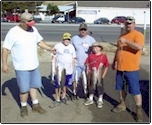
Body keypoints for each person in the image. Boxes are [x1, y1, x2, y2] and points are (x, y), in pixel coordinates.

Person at [2, 12, 54, 118]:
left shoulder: (33, 30)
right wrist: (4, 64)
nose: (31, 25)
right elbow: (5, 49)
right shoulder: (13, 32)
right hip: (22, 67)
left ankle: (35, 105)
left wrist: (50, 49)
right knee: (24, 89)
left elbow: (39, 42)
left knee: (34, 86)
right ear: (22, 22)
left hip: (34, 65)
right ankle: (24, 107)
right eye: (29, 22)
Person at [111, 16, 145, 122]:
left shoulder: (138, 35)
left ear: (134, 24)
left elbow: (139, 47)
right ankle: (122, 104)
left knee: (135, 90)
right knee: (121, 88)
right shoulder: (122, 35)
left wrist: (126, 41)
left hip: (132, 68)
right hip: (120, 68)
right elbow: (118, 49)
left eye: (130, 23)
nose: (128, 25)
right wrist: (114, 62)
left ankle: (138, 110)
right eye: (126, 23)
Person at [71, 23, 96, 99]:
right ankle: (74, 92)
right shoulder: (74, 38)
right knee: (75, 79)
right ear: (79, 30)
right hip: (77, 63)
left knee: (88, 80)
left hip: (87, 64)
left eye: (84, 30)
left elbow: (95, 50)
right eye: (81, 29)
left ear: (87, 30)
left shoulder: (91, 39)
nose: (83, 31)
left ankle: (87, 92)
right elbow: (71, 49)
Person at [51, 32, 76, 105]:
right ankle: (57, 99)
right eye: (65, 39)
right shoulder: (58, 45)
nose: (67, 40)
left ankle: (63, 96)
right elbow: (53, 56)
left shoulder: (71, 47)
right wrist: (54, 69)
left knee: (65, 84)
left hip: (68, 70)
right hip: (59, 69)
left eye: (68, 39)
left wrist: (72, 69)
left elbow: (73, 58)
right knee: (57, 84)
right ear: (63, 39)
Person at [83, 42, 109, 108]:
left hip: (100, 75)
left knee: (100, 86)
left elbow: (106, 66)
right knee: (91, 86)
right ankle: (90, 98)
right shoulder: (90, 56)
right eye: (93, 48)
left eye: (97, 47)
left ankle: (100, 100)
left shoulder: (103, 56)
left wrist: (104, 75)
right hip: (92, 74)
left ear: (100, 48)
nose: (95, 49)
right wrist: (87, 70)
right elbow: (87, 63)